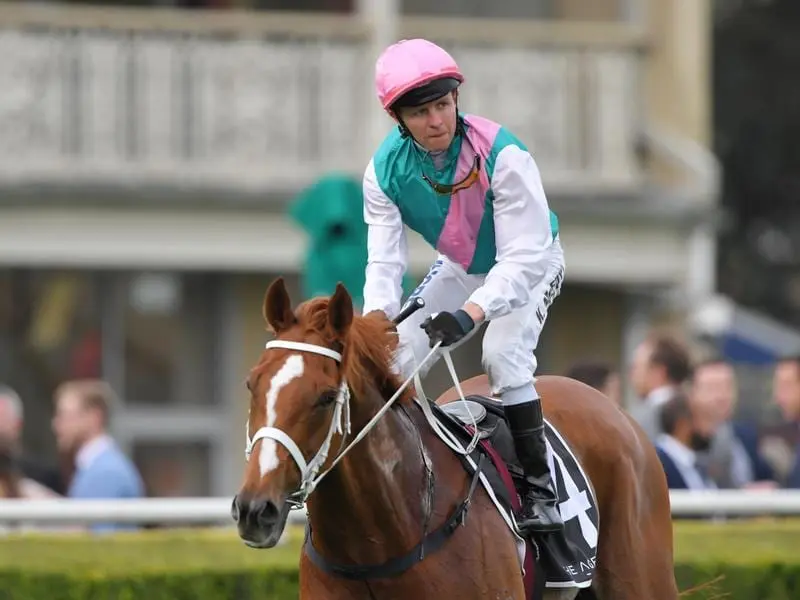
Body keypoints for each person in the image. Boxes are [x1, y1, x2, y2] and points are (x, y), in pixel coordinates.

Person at [361, 39, 566, 534]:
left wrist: (471, 314)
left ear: (456, 99)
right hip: (457, 266)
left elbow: (521, 257)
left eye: (443, 105)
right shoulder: (381, 173)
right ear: (399, 120)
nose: (437, 121)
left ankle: (541, 493)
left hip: (531, 263)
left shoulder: (505, 154)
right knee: (386, 359)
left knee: (501, 353)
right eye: (421, 113)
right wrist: (374, 325)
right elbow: (385, 262)